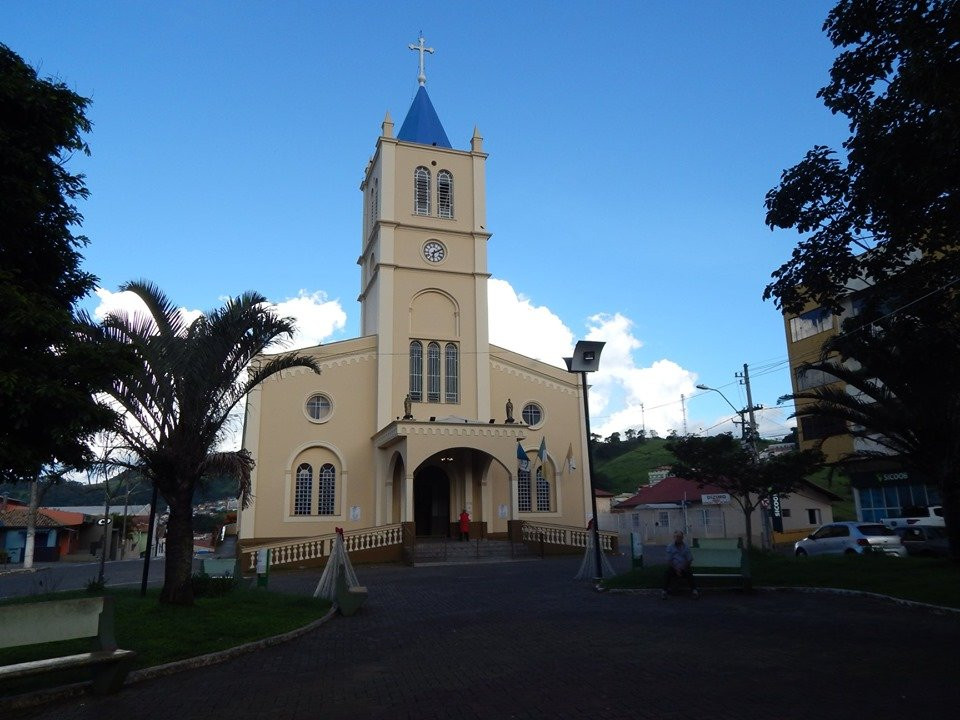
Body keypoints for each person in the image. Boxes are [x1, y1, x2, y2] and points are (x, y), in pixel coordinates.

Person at [662, 530, 699, 599]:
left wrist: (682, 568)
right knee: (667, 573)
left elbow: (689, 559)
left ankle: (694, 591)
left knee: (689, 573)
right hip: (674, 568)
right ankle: (664, 591)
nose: (678, 538)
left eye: (679, 537)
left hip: (684, 567)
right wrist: (676, 569)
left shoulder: (686, 547)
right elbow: (669, 560)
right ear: (674, 537)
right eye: (676, 537)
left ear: (682, 538)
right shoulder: (670, 547)